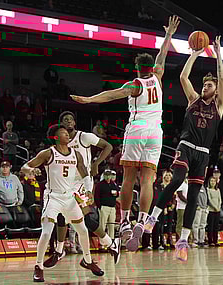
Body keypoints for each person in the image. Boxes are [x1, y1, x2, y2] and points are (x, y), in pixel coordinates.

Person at [71, 16, 180, 252]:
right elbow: (162, 57)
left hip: (137, 129)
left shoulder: (135, 85)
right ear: (152, 69)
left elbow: (110, 95)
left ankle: (125, 222)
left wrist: (89, 99)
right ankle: (142, 220)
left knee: (129, 178)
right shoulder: (158, 78)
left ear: (137, 69)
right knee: (148, 179)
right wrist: (168, 35)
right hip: (156, 132)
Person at [144, 35, 223, 261]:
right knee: (177, 179)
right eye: (203, 84)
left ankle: (183, 239)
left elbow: (221, 77)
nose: (204, 87)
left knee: (193, 197)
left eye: (208, 85)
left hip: (203, 153)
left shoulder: (219, 106)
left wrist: (218, 54)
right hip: (186, 146)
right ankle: (152, 218)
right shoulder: (193, 99)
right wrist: (195, 54)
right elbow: (183, 76)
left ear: (216, 90)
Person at [21, 125, 103, 282]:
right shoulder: (48, 153)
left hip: (70, 197)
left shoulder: (76, 154)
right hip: (53, 197)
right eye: (64, 133)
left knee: (83, 230)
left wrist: (88, 190)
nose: (68, 135)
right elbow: (26, 166)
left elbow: (85, 173)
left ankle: (88, 260)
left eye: (68, 133)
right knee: (46, 232)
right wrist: (29, 171)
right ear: (56, 137)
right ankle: (39, 266)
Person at [43, 111, 117, 268]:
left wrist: (96, 163)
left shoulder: (84, 137)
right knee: (61, 218)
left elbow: (108, 146)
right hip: (67, 185)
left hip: (83, 184)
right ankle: (59, 251)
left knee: (88, 219)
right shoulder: (60, 143)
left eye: (71, 119)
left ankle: (111, 243)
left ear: (75, 123)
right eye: (65, 120)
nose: (69, 121)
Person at [96, 169, 119, 239]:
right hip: (104, 207)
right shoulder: (100, 185)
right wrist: (100, 207)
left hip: (112, 207)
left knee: (111, 225)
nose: (108, 177)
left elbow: (117, 193)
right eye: (106, 175)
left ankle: (111, 242)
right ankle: (102, 242)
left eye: (109, 175)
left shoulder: (113, 184)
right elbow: (96, 196)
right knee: (102, 225)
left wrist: (116, 194)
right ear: (104, 176)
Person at [206, 176, 221, 247]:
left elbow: (219, 199)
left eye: (214, 181)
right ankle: (210, 241)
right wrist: (214, 207)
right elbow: (209, 199)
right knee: (210, 226)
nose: (212, 182)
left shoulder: (218, 190)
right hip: (211, 210)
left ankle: (216, 240)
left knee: (216, 226)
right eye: (211, 181)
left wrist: (218, 207)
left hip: (217, 210)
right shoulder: (208, 189)